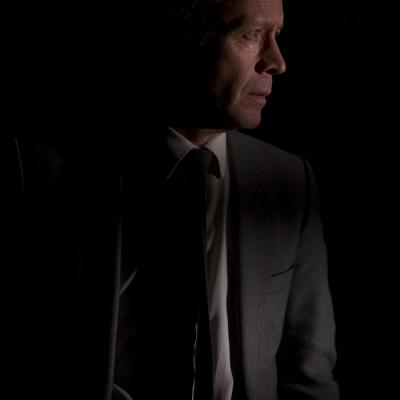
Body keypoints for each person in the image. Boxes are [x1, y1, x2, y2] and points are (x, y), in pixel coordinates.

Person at [6, 0, 339, 399]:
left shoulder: (288, 182)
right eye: (251, 34)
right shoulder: (46, 171)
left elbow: (309, 376)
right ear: (189, 39)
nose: (277, 61)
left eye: (277, 35)